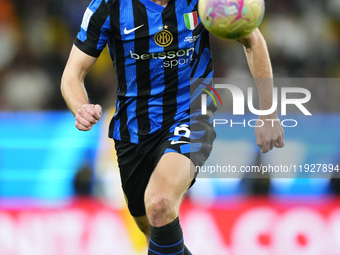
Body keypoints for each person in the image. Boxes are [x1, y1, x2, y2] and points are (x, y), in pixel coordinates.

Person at [61, 0, 285, 254]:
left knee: (159, 204)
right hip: (133, 131)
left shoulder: (205, 2)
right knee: (153, 231)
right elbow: (72, 74)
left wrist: (268, 112)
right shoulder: (109, 6)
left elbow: (253, 41)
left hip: (191, 114)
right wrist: (81, 106)